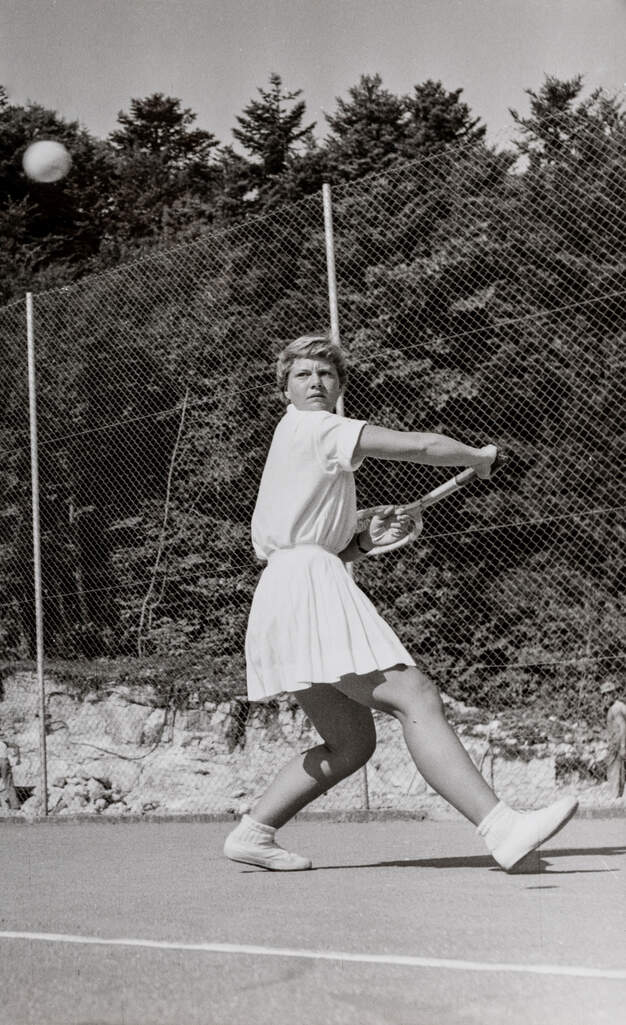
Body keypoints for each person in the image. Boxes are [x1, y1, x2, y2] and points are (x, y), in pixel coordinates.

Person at [224, 333, 578, 873]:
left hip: (290, 588)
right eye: (304, 375)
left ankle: (253, 833)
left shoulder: (299, 437)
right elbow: (418, 447)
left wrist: (365, 540)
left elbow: (330, 546)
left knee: (351, 742)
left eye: (326, 375)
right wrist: (477, 456)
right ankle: (501, 827)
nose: (316, 382)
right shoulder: (316, 427)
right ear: (286, 389)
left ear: (338, 386)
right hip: (306, 588)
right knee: (416, 697)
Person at [600, 681, 626, 797]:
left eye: (608, 694)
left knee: (615, 772)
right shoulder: (617, 706)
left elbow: (623, 727)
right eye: (604, 695)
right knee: (617, 771)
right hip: (616, 744)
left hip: (618, 745)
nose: (606, 697)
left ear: (614, 694)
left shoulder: (616, 708)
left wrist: (622, 746)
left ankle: (615, 797)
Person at [0, 732, 21, 810]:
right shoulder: (4, 743)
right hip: (4, 762)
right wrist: (18, 757)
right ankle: (15, 805)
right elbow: (16, 746)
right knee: (8, 784)